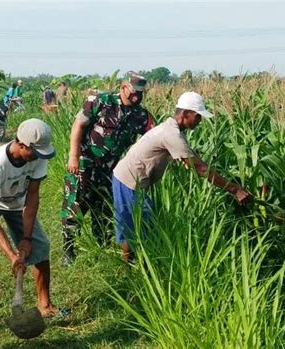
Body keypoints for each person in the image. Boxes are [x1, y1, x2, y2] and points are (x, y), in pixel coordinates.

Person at [112, 92, 250, 261]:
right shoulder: (172, 134)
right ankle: (144, 268)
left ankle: (131, 266)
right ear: (185, 114)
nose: (199, 121)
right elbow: (200, 168)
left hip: (125, 177)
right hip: (129, 180)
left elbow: (194, 159)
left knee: (131, 224)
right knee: (145, 226)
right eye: (198, 117)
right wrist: (234, 189)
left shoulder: (171, 129)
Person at [0, 118, 57, 345]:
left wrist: (27, 239)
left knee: (41, 246)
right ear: (21, 144)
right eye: (35, 152)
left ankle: (44, 304)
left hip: (17, 202)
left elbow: (33, 196)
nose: (39, 156)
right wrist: (12, 256)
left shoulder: (38, 156)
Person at [61, 71, 154, 265]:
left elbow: (154, 136)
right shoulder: (101, 101)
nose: (138, 96)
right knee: (74, 207)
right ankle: (68, 250)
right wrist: (73, 157)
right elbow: (78, 125)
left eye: (141, 93)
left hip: (112, 170)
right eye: (135, 92)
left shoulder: (140, 115)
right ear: (123, 88)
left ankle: (101, 248)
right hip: (85, 164)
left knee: (103, 210)